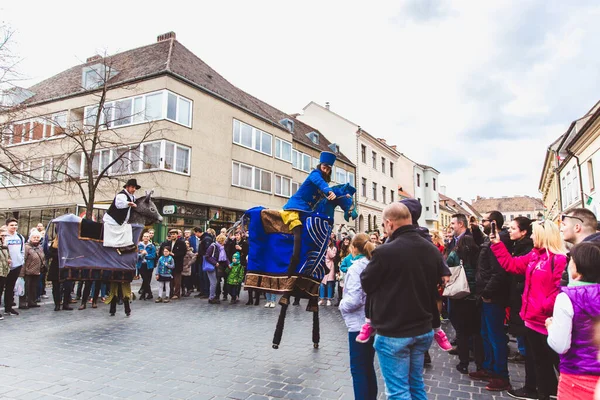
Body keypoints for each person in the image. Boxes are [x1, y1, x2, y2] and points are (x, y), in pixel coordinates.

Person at [360, 202, 443, 399]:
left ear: (389, 224)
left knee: (397, 391)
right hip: (422, 328)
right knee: (416, 385)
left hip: (394, 331)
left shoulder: (384, 252)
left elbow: (367, 284)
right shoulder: (431, 249)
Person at [491, 219, 567, 400]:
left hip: (547, 321)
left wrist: (543, 307)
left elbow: (559, 290)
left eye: (535, 233)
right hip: (531, 319)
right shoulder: (534, 256)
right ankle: (544, 394)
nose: (532, 236)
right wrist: (497, 245)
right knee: (539, 364)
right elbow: (512, 265)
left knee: (558, 364)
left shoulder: (559, 259)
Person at [546, 241, 600, 400]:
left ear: (577, 270)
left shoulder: (567, 298)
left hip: (576, 376)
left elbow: (560, 345)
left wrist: (551, 326)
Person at [471, 211, 512, 391]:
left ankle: (501, 375)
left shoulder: (499, 242)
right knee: (486, 333)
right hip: (486, 294)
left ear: (493, 222)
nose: (482, 222)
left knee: (496, 337)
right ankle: (489, 367)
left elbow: (499, 272)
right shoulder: (490, 239)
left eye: (485, 220)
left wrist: (487, 292)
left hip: (493, 296)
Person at [281, 151, 337, 276]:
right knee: (298, 231)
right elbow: (320, 183)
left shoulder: (324, 183)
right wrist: (328, 191)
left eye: (328, 167)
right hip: (295, 208)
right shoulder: (315, 174)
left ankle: (318, 261)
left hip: (307, 211)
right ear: (320, 165)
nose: (326, 168)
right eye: (324, 165)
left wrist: (341, 196)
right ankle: (293, 263)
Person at [339, 233, 377, 400]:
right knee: (368, 366)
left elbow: (354, 299)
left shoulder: (356, 268)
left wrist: (342, 305)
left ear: (354, 248)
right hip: (373, 321)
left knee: (359, 368)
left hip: (358, 324)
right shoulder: (373, 264)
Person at [102, 178, 140, 247]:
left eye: (135, 188)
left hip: (122, 221)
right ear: (127, 187)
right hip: (113, 220)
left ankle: (124, 246)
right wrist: (128, 203)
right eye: (132, 187)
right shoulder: (121, 195)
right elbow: (119, 204)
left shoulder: (133, 197)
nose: (134, 189)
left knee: (127, 230)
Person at [4, 218, 25, 316]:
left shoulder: (20, 237)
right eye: (12, 225)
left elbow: (22, 250)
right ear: (7, 226)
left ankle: (8, 308)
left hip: (17, 265)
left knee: (10, 287)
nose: (14, 227)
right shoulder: (4, 237)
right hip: (5, 266)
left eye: (15, 225)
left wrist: (21, 260)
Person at [19, 231, 45, 309]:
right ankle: (23, 303)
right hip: (27, 271)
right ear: (30, 238)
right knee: (25, 288)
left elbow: (43, 257)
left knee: (34, 288)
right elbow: (23, 260)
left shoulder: (40, 247)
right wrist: (22, 273)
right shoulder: (26, 247)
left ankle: (32, 301)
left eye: (38, 237)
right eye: (34, 237)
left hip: (37, 271)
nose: (36, 239)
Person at [159, 229, 186, 299]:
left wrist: (174, 254)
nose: (172, 235)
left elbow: (183, 253)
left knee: (177, 280)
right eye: (171, 234)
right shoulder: (167, 243)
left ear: (177, 235)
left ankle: (176, 294)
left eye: (174, 234)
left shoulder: (181, 243)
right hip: (168, 264)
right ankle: (170, 293)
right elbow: (162, 251)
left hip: (177, 263)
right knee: (170, 279)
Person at [137, 232, 156, 300]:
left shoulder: (152, 246)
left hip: (149, 265)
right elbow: (136, 255)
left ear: (149, 238)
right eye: (144, 236)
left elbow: (153, 256)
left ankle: (143, 294)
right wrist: (141, 255)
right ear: (142, 237)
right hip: (141, 264)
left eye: (147, 236)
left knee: (147, 280)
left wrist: (146, 255)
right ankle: (150, 293)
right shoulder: (139, 245)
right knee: (145, 279)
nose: (146, 238)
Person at [318, 239, 337, 306]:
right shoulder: (322, 246)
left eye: (329, 241)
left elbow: (332, 256)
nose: (328, 242)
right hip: (323, 266)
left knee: (329, 283)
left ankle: (329, 299)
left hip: (330, 266)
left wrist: (328, 248)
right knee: (322, 283)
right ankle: (322, 299)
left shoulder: (333, 248)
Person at [0, 226, 10, 320]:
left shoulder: (4, 245)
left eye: (5, 235)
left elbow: (7, 256)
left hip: (4, 271)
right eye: (2, 235)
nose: (3, 237)